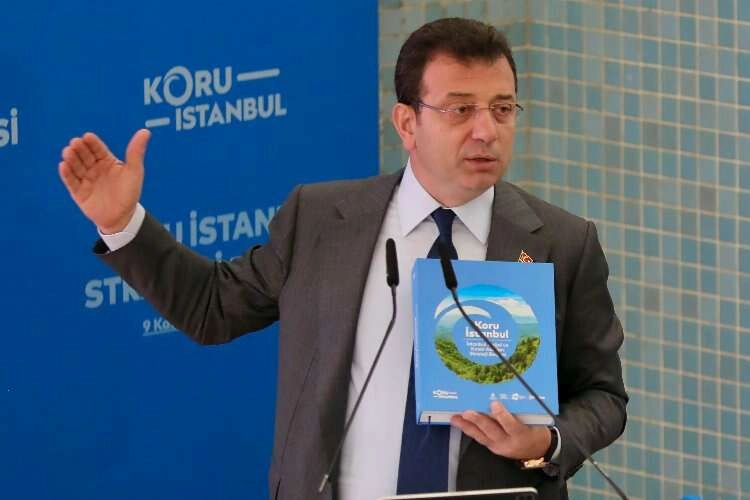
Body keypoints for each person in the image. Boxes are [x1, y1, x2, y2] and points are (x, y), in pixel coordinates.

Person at [58, 17, 627, 500]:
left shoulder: (560, 243)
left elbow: (603, 397)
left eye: (502, 109)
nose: (487, 131)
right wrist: (122, 223)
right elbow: (212, 308)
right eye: (460, 110)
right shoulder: (321, 221)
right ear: (407, 123)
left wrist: (545, 442)